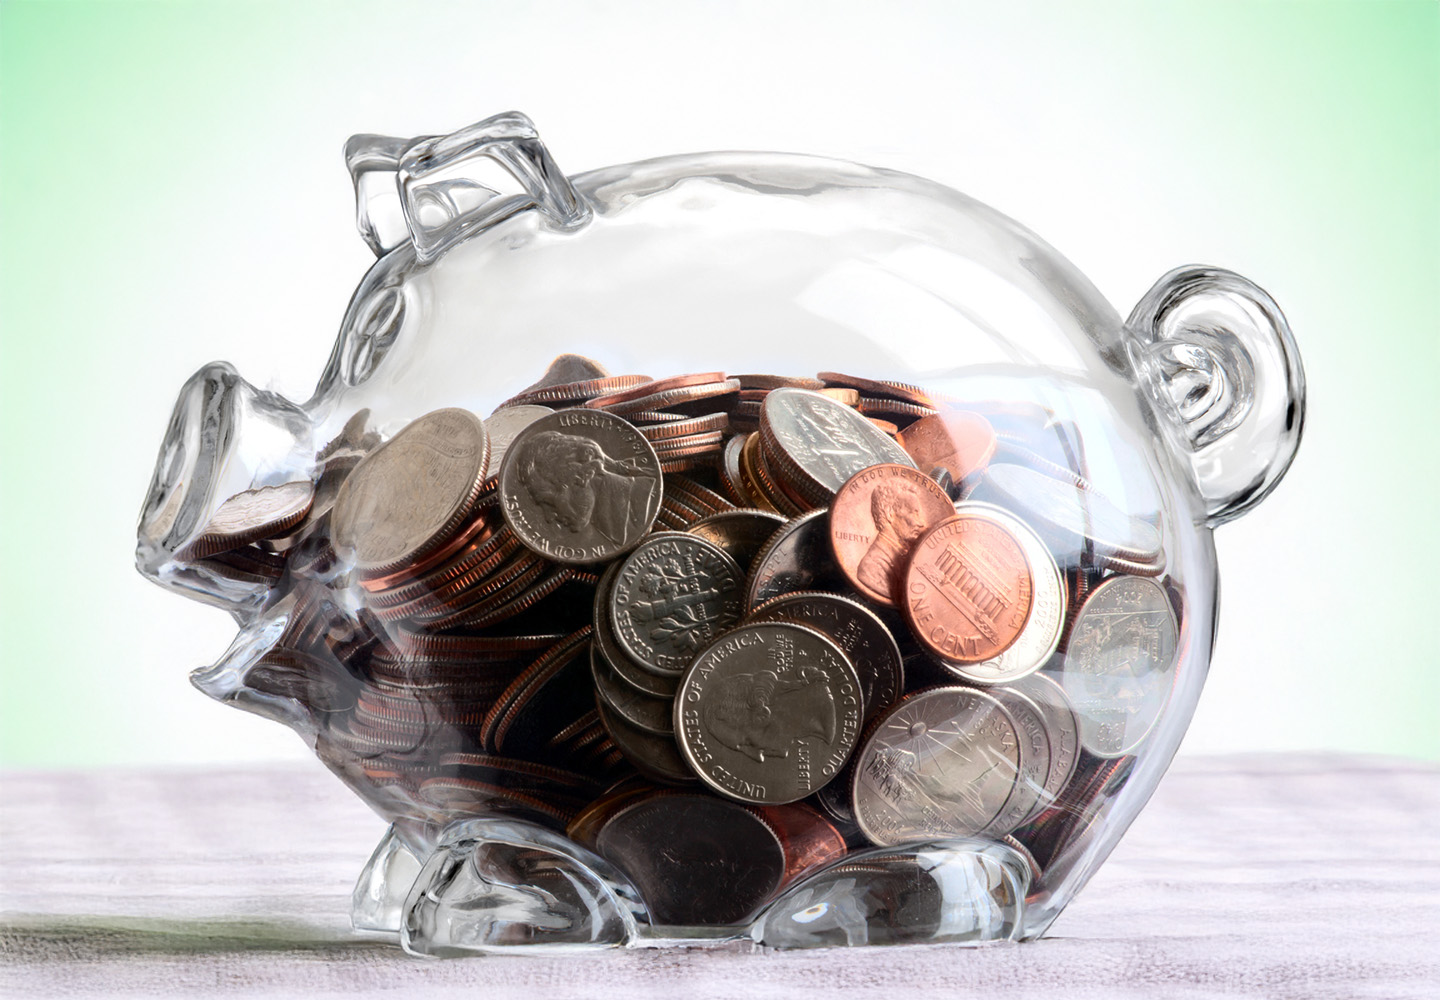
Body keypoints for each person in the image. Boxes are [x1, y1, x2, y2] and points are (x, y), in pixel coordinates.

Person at [514, 430, 658, 546]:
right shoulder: (614, 523)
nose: (549, 518)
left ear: (578, 480)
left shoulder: (639, 500)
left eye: (550, 500)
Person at [855, 480, 930, 599]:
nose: (922, 523)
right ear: (890, 514)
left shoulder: (903, 558)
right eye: (913, 513)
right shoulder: (872, 568)